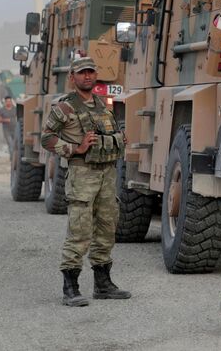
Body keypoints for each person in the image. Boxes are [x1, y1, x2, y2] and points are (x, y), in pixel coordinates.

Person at [41, 57, 131, 307]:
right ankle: (70, 287)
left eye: (91, 72)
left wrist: (118, 139)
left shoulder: (103, 105)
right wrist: (75, 148)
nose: (87, 77)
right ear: (73, 77)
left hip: (106, 174)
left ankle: (103, 284)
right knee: (79, 230)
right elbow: (46, 139)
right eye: (82, 73)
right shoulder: (65, 107)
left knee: (106, 228)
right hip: (82, 174)